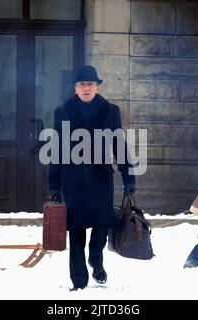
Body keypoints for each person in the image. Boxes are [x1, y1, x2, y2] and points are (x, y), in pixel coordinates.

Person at [48, 65, 136, 291]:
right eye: (81, 84)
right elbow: (56, 149)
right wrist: (54, 185)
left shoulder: (110, 111)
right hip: (73, 179)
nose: (86, 88)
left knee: (102, 224)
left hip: (100, 178)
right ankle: (79, 281)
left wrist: (129, 179)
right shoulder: (63, 112)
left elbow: (119, 144)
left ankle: (96, 260)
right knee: (76, 231)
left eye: (90, 84)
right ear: (75, 88)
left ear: (97, 87)